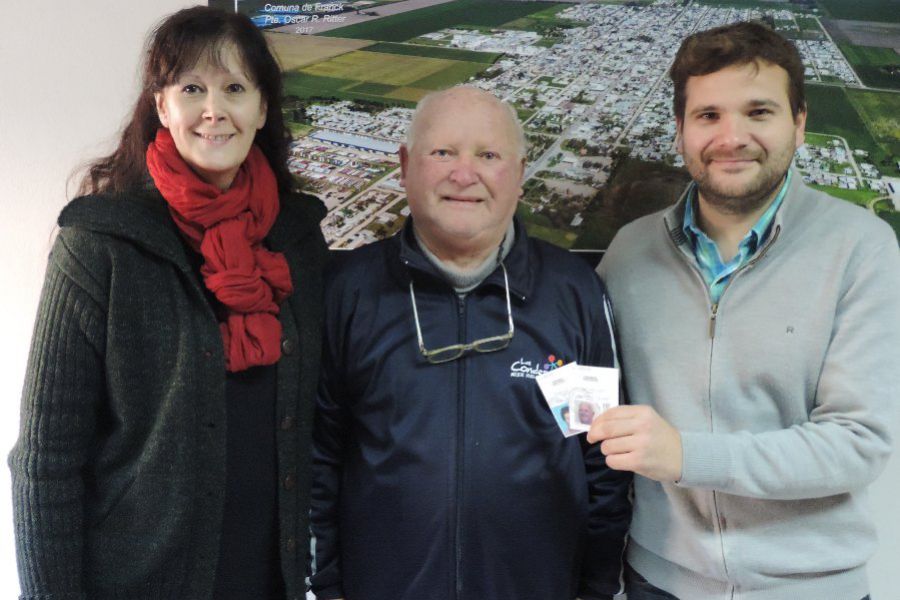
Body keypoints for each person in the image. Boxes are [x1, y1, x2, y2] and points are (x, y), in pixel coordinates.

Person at [8, 7, 328, 599]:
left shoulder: (299, 240)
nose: (215, 110)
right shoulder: (100, 245)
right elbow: (44, 464)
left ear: (262, 108)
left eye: (235, 88)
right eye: (192, 89)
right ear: (162, 107)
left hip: (269, 580)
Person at [591, 21, 900, 600]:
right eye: (708, 115)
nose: (731, 137)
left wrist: (687, 455)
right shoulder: (629, 254)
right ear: (681, 130)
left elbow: (857, 441)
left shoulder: (862, 247)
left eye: (759, 112)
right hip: (658, 580)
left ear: (799, 123)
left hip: (811, 588)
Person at [310, 86, 631, 600]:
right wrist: (322, 589)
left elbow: (602, 463)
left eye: (488, 155)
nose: (464, 175)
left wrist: (596, 590)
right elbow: (317, 461)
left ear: (520, 173)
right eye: (442, 153)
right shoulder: (347, 291)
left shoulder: (572, 294)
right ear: (405, 165)